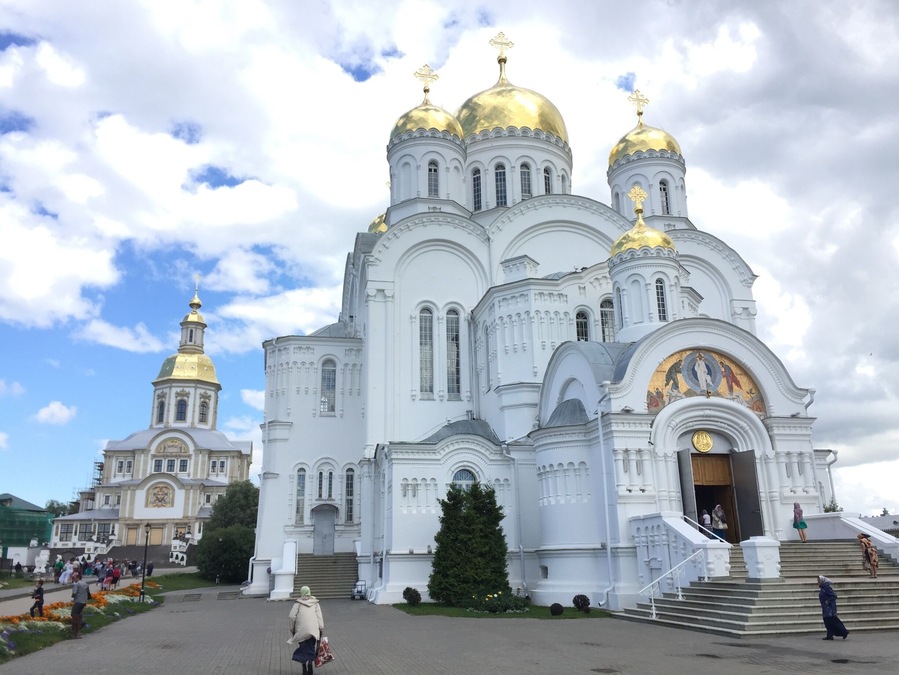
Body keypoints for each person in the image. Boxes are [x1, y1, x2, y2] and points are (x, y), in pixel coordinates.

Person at [288, 585, 324, 675]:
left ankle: (304, 666)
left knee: (303, 647)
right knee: (311, 647)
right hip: (313, 631)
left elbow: (291, 617)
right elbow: (319, 618)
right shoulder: (315, 603)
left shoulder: (298, 604)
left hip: (300, 631)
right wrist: (321, 629)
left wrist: (292, 629)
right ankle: (310, 664)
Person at [817, 575, 848, 640]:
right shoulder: (823, 588)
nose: (818, 582)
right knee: (827, 622)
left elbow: (834, 596)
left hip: (829, 608)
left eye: (818, 581)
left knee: (833, 621)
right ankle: (830, 634)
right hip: (825, 608)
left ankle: (844, 631)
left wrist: (828, 601)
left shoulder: (827, 588)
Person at [70, 572, 91, 639]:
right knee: (78, 614)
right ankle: (79, 626)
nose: (73, 579)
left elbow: (74, 593)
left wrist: (72, 597)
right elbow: (88, 592)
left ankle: (78, 628)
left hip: (78, 601)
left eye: (74, 577)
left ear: (77, 577)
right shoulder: (85, 583)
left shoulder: (76, 584)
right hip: (83, 601)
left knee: (74, 614)